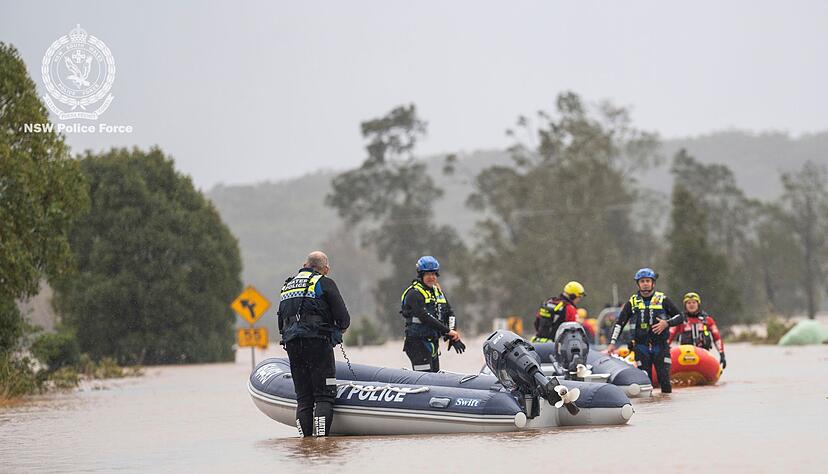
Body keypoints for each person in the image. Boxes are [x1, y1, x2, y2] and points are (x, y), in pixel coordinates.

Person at [277, 251, 351, 437]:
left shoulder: (287, 285)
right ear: (325, 269)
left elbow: (281, 320)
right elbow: (343, 318)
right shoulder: (324, 282)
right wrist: (338, 331)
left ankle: (305, 442)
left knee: (303, 398)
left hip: (292, 344)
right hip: (318, 343)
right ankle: (321, 441)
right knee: (324, 395)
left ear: (305, 264)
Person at [605, 268, 684, 393]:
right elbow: (619, 323)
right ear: (638, 284)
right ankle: (649, 407)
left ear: (653, 283)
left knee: (664, 379)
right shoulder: (632, 302)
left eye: (648, 281)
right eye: (642, 281)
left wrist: (666, 323)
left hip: (661, 346)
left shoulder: (663, 299)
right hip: (641, 347)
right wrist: (612, 343)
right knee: (645, 382)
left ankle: (665, 407)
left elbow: (680, 316)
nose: (645, 284)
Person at [401, 256, 465, 372]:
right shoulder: (414, 293)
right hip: (417, 343)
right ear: (421, 275)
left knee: (435, 376)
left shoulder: (437, 292)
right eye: (428, 274)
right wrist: (448, 331)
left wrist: (452, 335)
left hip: (433, 343)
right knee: (425, 378)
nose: (431, 277)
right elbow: (424, 316)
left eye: (434, 274)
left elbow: (449, 313)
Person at [668, 292, 726, 369]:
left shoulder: (708, 320)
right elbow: (669, 336)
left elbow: (717, 338)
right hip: (685, 357)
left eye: (694, 302)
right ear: (685, 305)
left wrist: (722, 354)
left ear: (698, 304)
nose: (691, 305)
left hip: (703, 356)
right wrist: (664, 352)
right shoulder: (679, 320)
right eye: (689, 303)